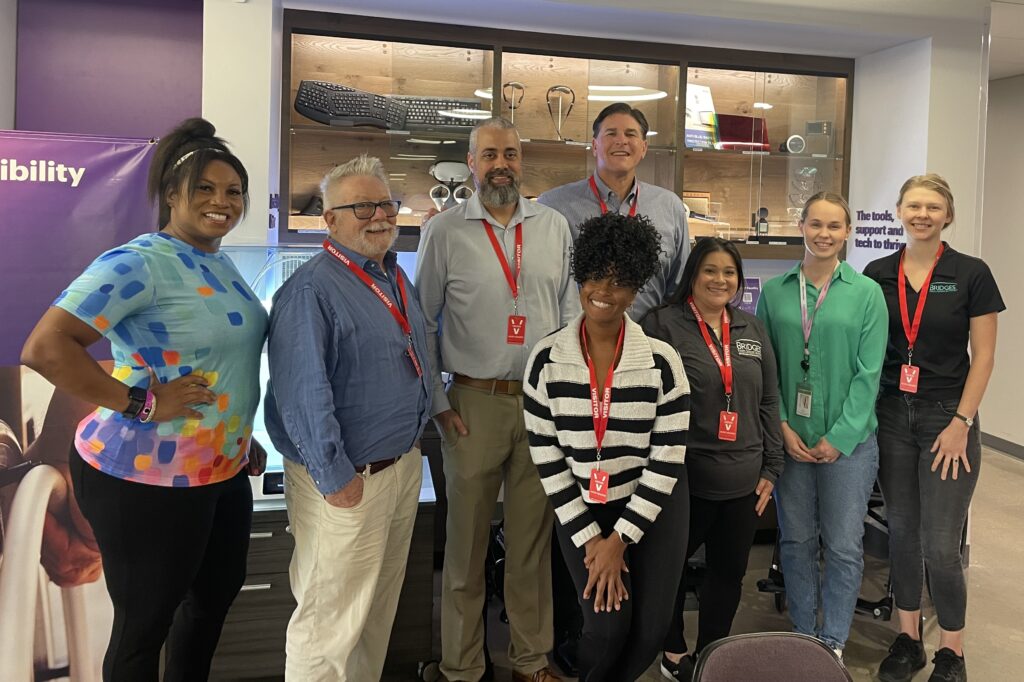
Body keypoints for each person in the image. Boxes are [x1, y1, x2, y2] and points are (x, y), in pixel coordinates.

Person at [20, 117, 269, 682]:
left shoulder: (217, 261)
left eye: (233, 192)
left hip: (219, 466)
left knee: (210, 604)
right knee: (143, 627)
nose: (221, 202)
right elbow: (45, 347)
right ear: (172, 196)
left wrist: (236, 427)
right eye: (204, 189)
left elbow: (215, 359)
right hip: (144, 475)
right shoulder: (140, 261)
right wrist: (142, 403)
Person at [416, 117, 578, 682]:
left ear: (521, 159)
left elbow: (571, 316)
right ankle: (462, 666)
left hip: (540, 404)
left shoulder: (554, 226)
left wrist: (566, 396)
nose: (500, 164)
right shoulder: (444, 231)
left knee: (532, 547)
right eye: (489, 155)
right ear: (471, 161)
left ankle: (530, 661)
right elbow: (422, 322)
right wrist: (438, 402)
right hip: (471, 404)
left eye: (510, 152)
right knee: (464, 549)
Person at [263, 154, 432, 681]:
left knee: (374, 614)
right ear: (329, 219)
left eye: (385, 203)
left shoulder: (393, 277)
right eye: (361, 206)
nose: (379, 215)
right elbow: (301, 395)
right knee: (329, 622)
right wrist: (336, 479)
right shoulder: (311, 291)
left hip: (399, 469)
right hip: (347, 481)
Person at [523, 212, 690, 682]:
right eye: (595, 276)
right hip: (582, 506)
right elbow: (549, 461)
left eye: (619, 282)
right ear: (580, 276)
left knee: (652, 629)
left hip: (654, 503)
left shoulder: (662, 362)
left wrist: (621, 540)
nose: (604, 291)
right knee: (608, 623)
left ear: (636, 290)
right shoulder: (545, 361)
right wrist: (596, 540)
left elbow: (667, 458)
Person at [864, 174, 1003, 682]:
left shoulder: (971, 273)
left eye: (933, 206)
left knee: (941, 544)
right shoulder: (878, 272)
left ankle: (951, 650)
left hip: (948, 417)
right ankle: (906, 639)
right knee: (901, 533)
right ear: (900, 211)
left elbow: (984, 356)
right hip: (891, 415)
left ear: (948, 215)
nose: (922, 214)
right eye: (914, 205)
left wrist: (962, 422)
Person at [641, 237, 785, 680]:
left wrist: (772, 466)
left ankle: (710, 653)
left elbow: (768, 399)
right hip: (682, 476)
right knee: (667, 570)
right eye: (710, 270)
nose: (720, 280)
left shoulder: (750, 329)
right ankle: (671, 650)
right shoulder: (662, 325)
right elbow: (645, 401)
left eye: (729, 273)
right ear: (692, 276)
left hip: (743, 478)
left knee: (729, 573)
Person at [755, 191, 887, 658]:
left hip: (848, 446)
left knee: (845, 546)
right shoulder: (774, 292)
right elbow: (766, 369)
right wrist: (783, 426)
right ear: (802, 227)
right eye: (816, 224)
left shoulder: (867, 293)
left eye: (834, 226)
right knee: (795, 539)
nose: (824, 234)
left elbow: (869, 374)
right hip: (791, 439)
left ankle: (831, 641)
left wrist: (840, 437)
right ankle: (802, 633)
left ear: (847, 232)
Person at [538, 102, 689, 320]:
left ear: (644, 147)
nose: (621, 140)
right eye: (611, 133)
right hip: (577, 343)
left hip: (649, 343)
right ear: (594, 145)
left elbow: (678, 289)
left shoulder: (670, 207)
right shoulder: (553, 205)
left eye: (631, 134)